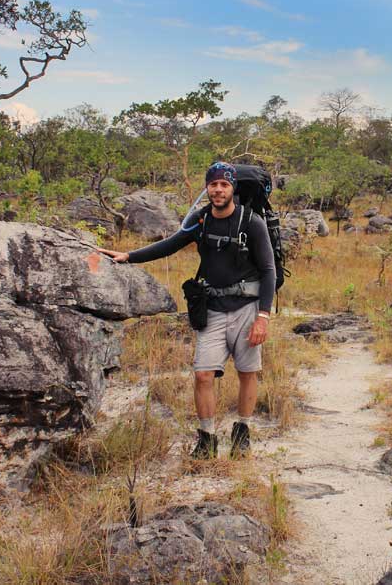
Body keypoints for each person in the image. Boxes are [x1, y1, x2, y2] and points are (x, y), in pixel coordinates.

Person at [98, 162, 276, 459]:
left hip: (247, 309)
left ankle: (242, 430)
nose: (218, 190)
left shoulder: (251, 222)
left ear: (233, 189)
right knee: (203, 375)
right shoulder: (200, 220)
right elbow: (170, 245)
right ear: (207, 188)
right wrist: (128, 256)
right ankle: (207, 438)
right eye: (213, 184)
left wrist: (263, 317)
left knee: (247, 373)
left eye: (224, 185)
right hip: (213, 309)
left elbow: (268, 270)